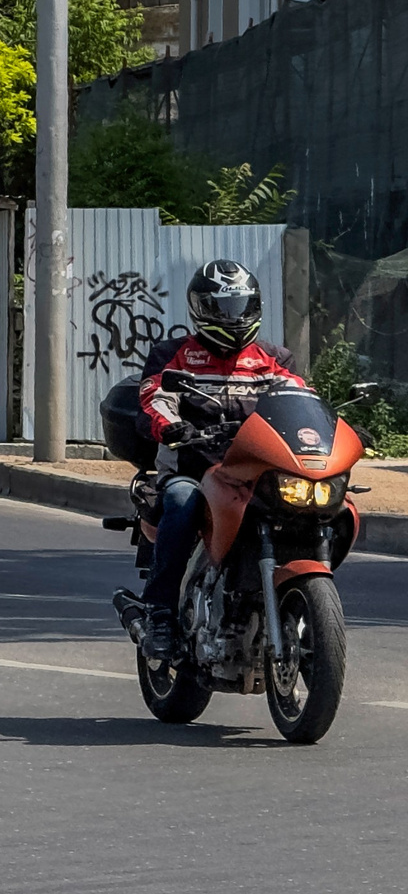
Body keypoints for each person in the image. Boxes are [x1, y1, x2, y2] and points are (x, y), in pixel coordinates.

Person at [114, 260, 308, 656]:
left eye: (240, 307)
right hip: (194, 466)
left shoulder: (275, 360)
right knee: (181, 501)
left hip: (258, 470)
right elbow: (154, 398)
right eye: (222, 308)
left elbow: (302, 401)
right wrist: (171, 426)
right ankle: (161, 614)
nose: (233, 318)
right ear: (200, 309)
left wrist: (337, 427)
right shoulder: (175, 355)